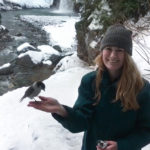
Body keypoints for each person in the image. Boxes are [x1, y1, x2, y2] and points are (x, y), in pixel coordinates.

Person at [28, 24, 150, 150]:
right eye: (108, 48)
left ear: (127, 55)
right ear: (102, 51)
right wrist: (61, 110)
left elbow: (146, 130)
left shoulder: (142, 88)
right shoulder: (90, 81)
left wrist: (121, 146)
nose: (113, 55)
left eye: (119, 50)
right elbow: (80, 123)